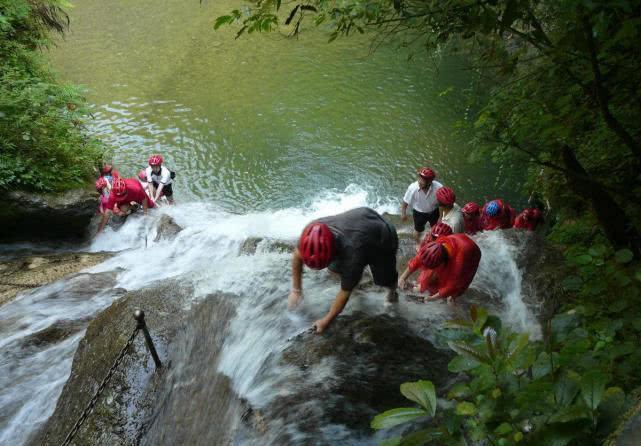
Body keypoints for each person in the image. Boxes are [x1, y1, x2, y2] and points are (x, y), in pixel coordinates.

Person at [288, 207, 398, 334]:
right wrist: (296, 290)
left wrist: (326, 320)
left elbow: (345, 293)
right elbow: (297, 254)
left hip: (383, 234)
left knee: (384, 280)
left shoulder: (352, 253)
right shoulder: (311, 232)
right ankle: (355, 280)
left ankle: (393, 294)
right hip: (358, 226)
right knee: (337, 271)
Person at [398, 233, 481, 304]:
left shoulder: (458, 262)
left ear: (442, 263)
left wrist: (432, 298)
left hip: (471, 254)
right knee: (429, 278)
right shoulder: (433, 247)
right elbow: (417, 260)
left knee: (453, 294)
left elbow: (452, 285)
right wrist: (402, 278)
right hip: (454, 243)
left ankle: (453, 303)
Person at [401, 167, 443, 246]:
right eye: (419, 178)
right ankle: (418, 243)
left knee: (436, 228)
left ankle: (433, 240)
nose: (419, 181)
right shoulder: (412, 188)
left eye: (423, 180)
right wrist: (403, 213)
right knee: (418, 230)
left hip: (434, 211)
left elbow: (441, 203)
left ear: (430, 181)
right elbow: (405, 201)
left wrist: (440, 217)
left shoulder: (438, 187)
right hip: (419, 213)